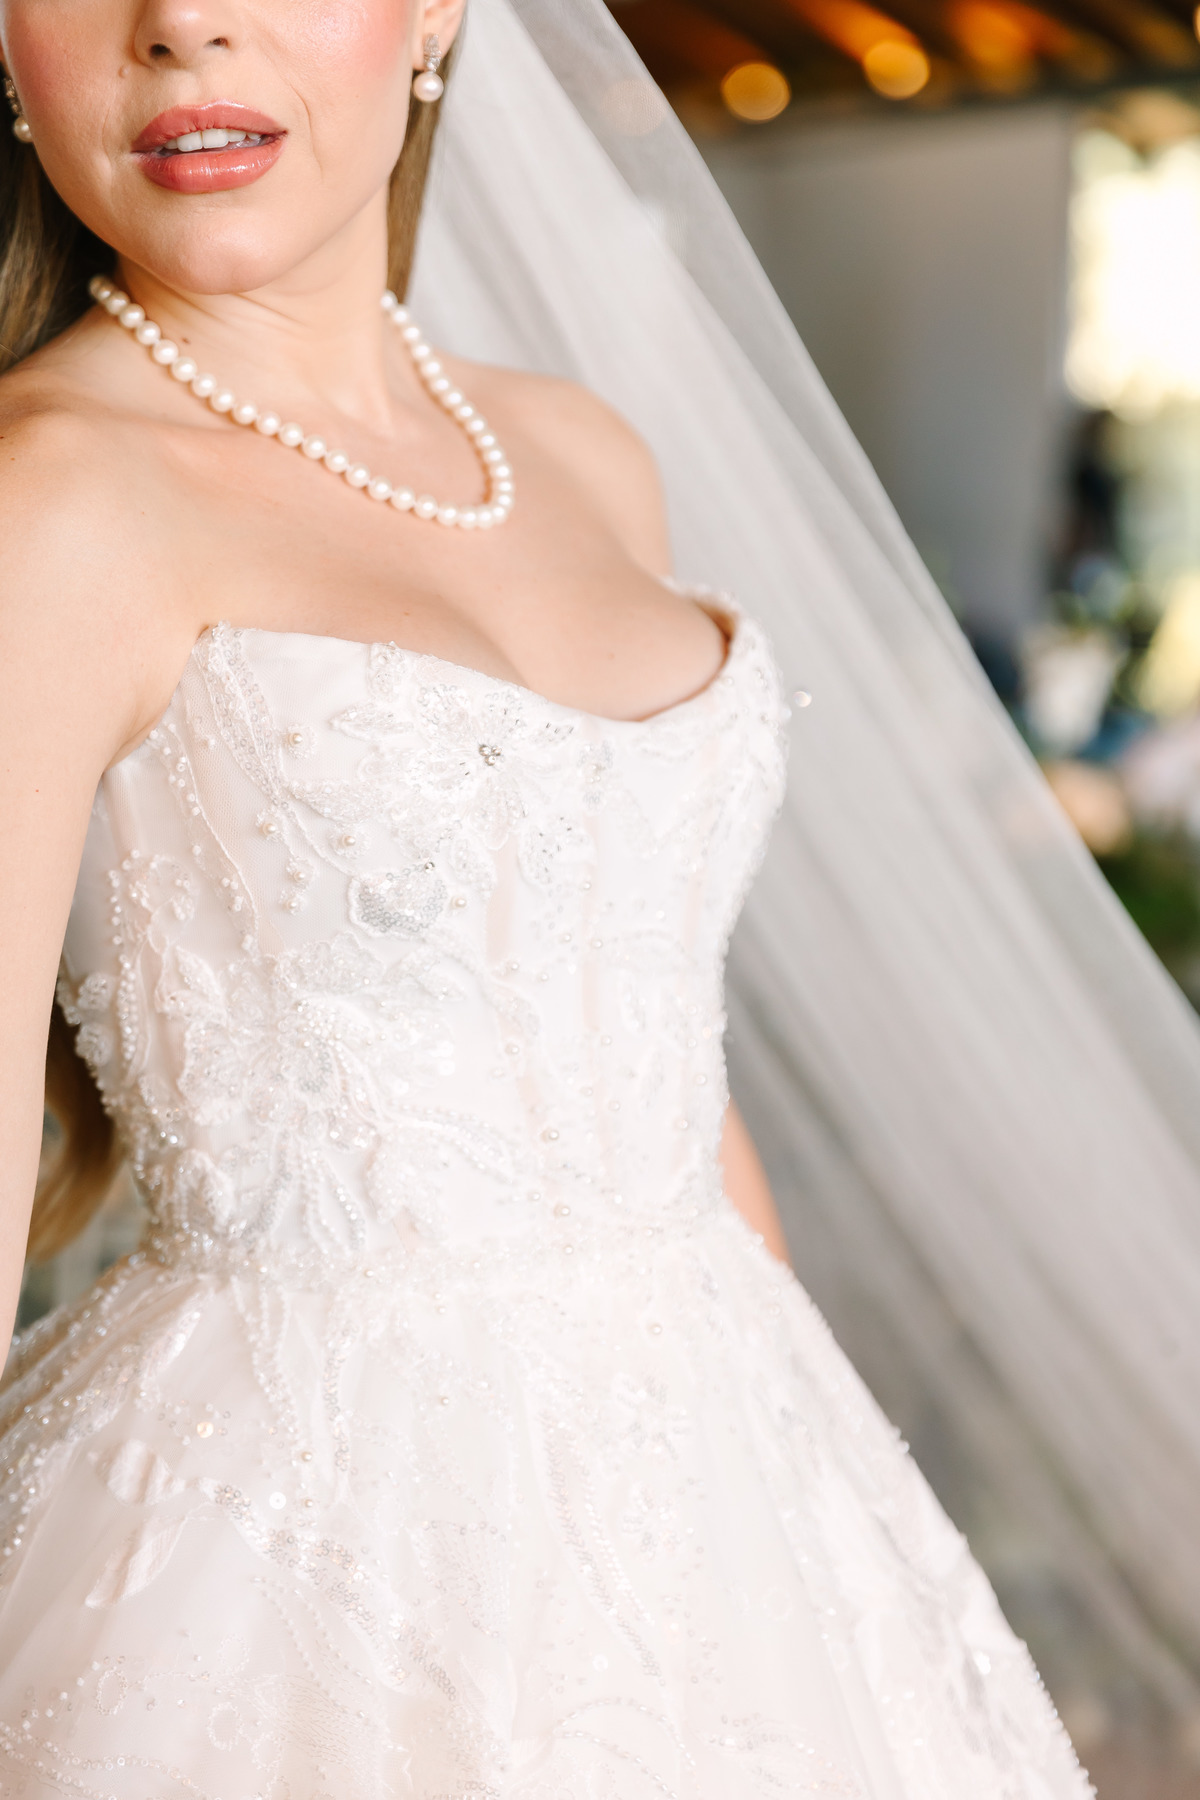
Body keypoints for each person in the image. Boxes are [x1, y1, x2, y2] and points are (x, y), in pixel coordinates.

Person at [0, 0, 1103, 1790]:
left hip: (731, 1484)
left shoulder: (581, 455)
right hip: (292, 1561)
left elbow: (659, 1054)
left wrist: (815, 1543)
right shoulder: (47, 503)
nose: (181, 24)